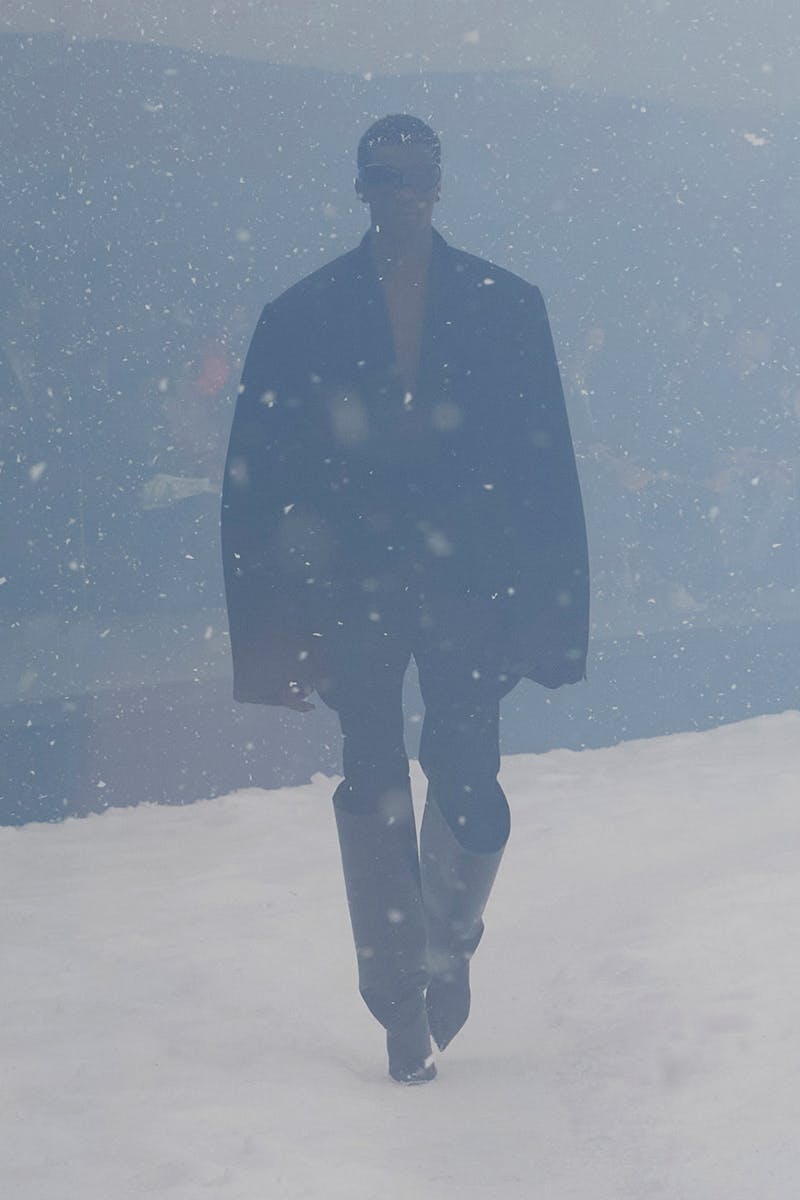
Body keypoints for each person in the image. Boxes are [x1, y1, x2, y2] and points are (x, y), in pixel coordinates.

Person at [221, 115, 589, 1084]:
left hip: (464, 587)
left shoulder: (502, 307)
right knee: (377, 775)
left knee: (463, 779)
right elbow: (260, 487)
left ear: (435, 185)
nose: (400, 194)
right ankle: (399, 989)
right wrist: (273, 637)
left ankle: (439, 950)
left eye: (412, 175)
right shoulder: (305, 316)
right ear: (363, 188)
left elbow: (543, 471)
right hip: (361, 589)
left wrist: (547, 616)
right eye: (386, 176)